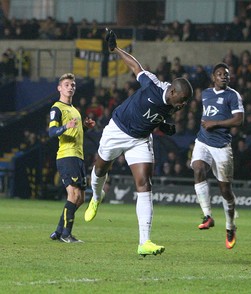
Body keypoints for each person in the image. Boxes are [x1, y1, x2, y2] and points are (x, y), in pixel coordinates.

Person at [84, 29, 193, 256]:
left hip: (140, 139)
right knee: (100, 168)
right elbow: (136, 66)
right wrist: (115, 49)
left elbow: (155, 114)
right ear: (172, 92)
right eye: (181, 101)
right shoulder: (153, 85)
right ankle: (96, 196)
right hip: (118, 129)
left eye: (184, 103)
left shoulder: (173, 103)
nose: (182, 106)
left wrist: (162, 125)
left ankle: (144, 242)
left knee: (144, 185)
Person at [191, 62, 244, 249]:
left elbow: (239, 119)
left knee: (225, 191)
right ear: (213, 77)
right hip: (203, 141)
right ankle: (207, 216)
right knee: (198, 169)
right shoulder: (205, 94)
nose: (224, 76)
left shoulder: (233, 95)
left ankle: (230, 227)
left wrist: (215, 124)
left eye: (226, 74)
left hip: (221, 146)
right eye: (220, 74)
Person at [49, 73, 96, 243]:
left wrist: (86, 127)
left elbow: (75, 132)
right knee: (73, 195)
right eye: (67, 84)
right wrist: (64, 126)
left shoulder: (75, 110)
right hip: (66, 155)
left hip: (78, 157)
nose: (70, 87)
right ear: (59, 88)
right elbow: (51, 132)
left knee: (81, 199)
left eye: (73, 85)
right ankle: (66, 234)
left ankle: (59, 231)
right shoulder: (57, 108)